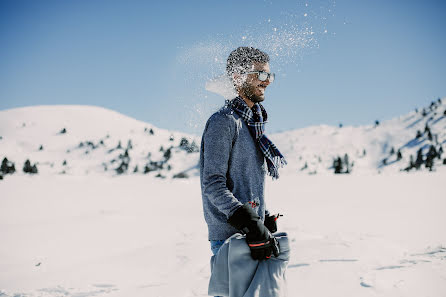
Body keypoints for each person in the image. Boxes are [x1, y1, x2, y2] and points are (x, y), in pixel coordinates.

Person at [200, 46, 287, 265]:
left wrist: (262, 216)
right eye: (261, 75)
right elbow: (213, 184)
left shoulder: (251, 124)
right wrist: (248, 220)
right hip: (230, 239)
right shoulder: (224, 122)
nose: (267, 81)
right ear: (238, 76)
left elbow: (243, 181)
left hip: (250, 234)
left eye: (270, 75)